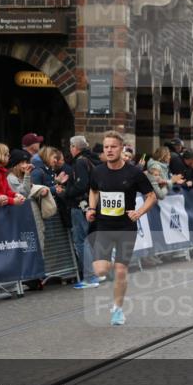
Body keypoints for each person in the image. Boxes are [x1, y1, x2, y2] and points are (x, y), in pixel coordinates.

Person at [86, 131, 157, 326]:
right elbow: (93, 190)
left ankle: (117, 309)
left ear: (121, 148)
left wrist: (139, 212)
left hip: (126, 227)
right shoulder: (98, 171)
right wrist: (92, 208)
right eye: (106, 147)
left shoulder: (133, 173)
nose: (109, 150)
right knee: (101, 270)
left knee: (120, 271)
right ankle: (107, 262)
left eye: (113, 147)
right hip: (103, 226)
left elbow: (151, 196)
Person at [62, 135, 103, 288]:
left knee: (82, 241)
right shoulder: (92, 159)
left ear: (75, 147)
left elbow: (81, 185)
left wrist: (65, 191)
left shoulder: (79, 162)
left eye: (71, 147)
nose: (70, 150)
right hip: (92, 204)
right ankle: (97, 273)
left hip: (81, 205)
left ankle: (90, 277)